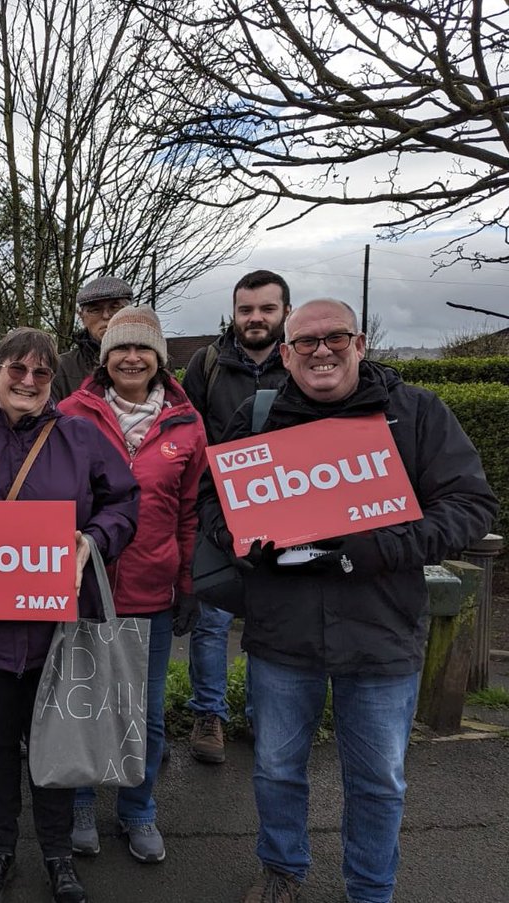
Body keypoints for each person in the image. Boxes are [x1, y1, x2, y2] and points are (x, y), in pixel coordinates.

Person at [196, 299, 497, 903]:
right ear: (286, 354)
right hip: (282, 632)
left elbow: (471, 507)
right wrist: (232, 536)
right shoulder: (257, 418)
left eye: (335, 337)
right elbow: (211, 501)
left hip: (381, 631)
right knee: (276, 770)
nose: (321, 350)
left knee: (379, 781)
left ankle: (371, 888)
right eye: (305, 342)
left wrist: (378, 545)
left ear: (360, 343)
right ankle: (282, 871)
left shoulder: (414, 414)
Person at [0, 327, 140, 903]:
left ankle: (58, 855)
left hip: (56, 630)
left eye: (41, 373)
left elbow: (124, 501)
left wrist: (93, 540)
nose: (29, 381)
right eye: (18, 369)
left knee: (54, 744)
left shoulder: (80, 438)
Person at [58, 306, 207, 864]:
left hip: (152, 589)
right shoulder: (72, 412)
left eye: (143, 349)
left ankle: (137, 809)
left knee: (143, 710)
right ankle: (76, 803)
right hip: (82, 588)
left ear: (160, 358)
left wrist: (189, 581)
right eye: (120, 348)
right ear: (104, 356)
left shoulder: (187, 423)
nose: (131, 357)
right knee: (82, 703)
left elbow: (190, 511)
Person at [180, 269, 291, 765]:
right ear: (234, 312)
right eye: (247, 309)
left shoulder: (301, 360)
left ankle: (263, 713)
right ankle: (210, 714)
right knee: (213, 618)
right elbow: (187, 428)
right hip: (221, 506)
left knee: (278, 614)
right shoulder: (207, 364)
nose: (256, 318)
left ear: (284, 311)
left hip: (291, 505)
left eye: (266, 309)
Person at [51, 275, 133, 401]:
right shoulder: (62, 368)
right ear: (82, 317)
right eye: (95, 310)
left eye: (115, 307)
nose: (106, 315)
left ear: (130, 312)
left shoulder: (153, 363)